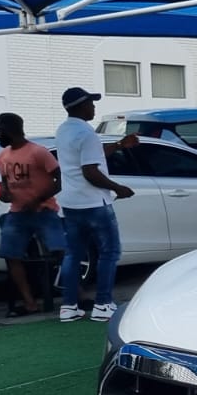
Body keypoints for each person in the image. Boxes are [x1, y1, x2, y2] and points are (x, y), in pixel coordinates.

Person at [55, 86, 134, 322]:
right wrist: (117, 188)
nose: (94, 106)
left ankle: (68, 307)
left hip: (70, 202)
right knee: (109, 252)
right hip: (93, 203)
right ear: (80, 106)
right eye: (90, 103)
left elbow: (91, 156)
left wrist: (119, 146)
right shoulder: (87, 133)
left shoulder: (63, 130)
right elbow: (90, 170)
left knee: (72, 255)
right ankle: (103, 304)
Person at [0, 112, 63, 317]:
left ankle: (77, 295)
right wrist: (4, 194)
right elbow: (5, 186)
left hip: (44, 211)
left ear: (10, 131)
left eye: (0, 131)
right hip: (17, 213)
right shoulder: (3, 156)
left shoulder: (38, 152)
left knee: (60, 251)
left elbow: (59, 181)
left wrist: (38, 199)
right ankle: (29, 302)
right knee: (10, 254)